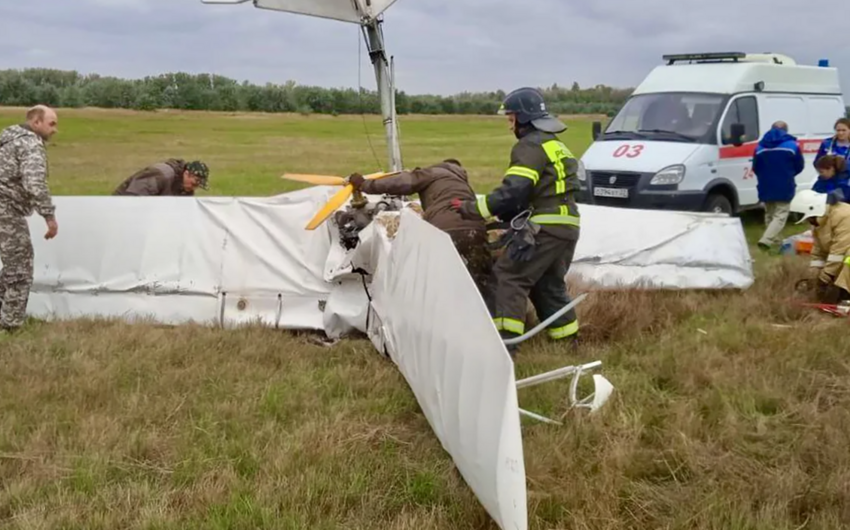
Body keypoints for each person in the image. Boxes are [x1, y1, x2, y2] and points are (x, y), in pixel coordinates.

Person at [453, 87, 581, 354]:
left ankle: (505, 348)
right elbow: (538, 192)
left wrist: (470, 208)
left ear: (523, 119)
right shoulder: (556, 144)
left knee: (508, 277)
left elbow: (513, 191)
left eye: (511, 119)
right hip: (567, 226)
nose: (510, 126)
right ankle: (568, 344)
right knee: (547, 284)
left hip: (545, 227)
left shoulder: (529, 145)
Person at [347, 159, 493, 303]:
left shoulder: (434, 172)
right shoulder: (462, 184)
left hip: (445, 231)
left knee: (441, 282)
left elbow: (403, 182)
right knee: (478, 282)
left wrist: (365, 184)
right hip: (476, 230)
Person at [0, 105, 60, 334]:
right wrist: (49, 216)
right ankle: (10, 326)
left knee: (12, 266)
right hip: (6, 209)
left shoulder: (8, 138)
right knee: (20, 269)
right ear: (36, 123)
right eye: (51, 124)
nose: (55, 130)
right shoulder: (30, 144)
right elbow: (34, 184)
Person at [751, 121, 805, 250]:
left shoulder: (759, 147)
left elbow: (755, 167)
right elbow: (799, 165)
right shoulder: (792, 145)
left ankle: (776, 243)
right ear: (786, 130)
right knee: (780, 215)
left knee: (769, 213)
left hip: (765, 184)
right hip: (784, 183)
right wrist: (789, 174)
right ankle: (766, 240)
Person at [790, 189, 850, 304]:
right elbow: (819, 252)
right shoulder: (819, 223)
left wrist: (825, 277)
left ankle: (846, 295)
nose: (808, 220)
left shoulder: (844, 215)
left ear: (813, 209)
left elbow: (839, 251)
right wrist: (814, 277)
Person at [113, 159, 209, 196]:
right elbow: (134, 197)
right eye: (194, 183)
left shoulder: (185, 189)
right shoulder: (161, 175)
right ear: (187, 173)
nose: (194, 188)